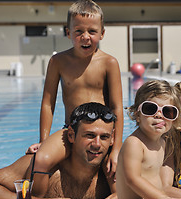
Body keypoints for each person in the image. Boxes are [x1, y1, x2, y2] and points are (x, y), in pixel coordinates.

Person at [27, 0, 123, 182]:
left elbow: (117, 107)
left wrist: (116, 148)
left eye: (92, 31)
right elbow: (48, 103)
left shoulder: (109, 63)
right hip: (70, 130)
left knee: (116, 171)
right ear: (68, 33)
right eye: (79, 31)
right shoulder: (58, 62)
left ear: (102, 34)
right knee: (41, 160)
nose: (85, 36)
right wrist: (43, 140)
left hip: (100, 133)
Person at [0, 102, 117, 199]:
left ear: (112, 139)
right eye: (89, 135)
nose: (97, 144)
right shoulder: (47, 168)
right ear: (71, 135)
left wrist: (125, 197)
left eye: (104, 137)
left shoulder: (112, 170)